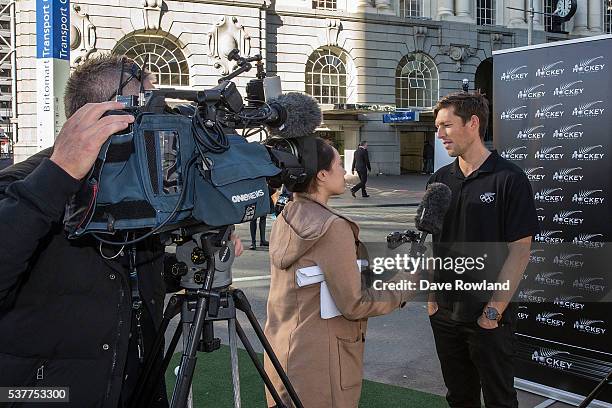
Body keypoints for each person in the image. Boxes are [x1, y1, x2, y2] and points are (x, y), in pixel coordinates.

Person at [0, 54, 243, 407]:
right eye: (149, 106)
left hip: (137, 388)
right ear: (106, 114)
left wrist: (185, 265)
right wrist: (58, 175)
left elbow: (121, 276)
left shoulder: (137, 189)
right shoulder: (23, 185)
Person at [263, 137, 410, 408]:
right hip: (323, 364)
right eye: (339, 164)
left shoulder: (287, 215)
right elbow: (354, 303)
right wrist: (405, 286)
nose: (344, 171)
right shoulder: (332, 227)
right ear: (321, 175)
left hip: (283, 353)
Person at [427, 92, 538, 408]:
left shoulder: (509, 178)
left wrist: (493, 312)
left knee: (499, 400)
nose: (439, 135)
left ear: (472, 123)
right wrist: (433, 303)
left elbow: (520, 252)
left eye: (446, 126)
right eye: (438, 127)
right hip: (445, 315)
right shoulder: (438, 180)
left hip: (489, 318)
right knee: (459, 398)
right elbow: (434, 245)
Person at [249, 185, 275, 250]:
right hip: (255, 197)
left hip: (263, 198)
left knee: (263, 218)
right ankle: (253, 242)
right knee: (253, 219)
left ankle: (262, 240)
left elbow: (273, 189)